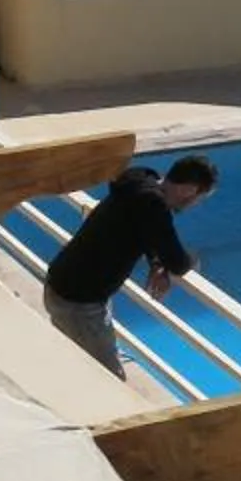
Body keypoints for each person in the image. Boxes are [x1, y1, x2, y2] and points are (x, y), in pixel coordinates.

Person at [42, 155, 218, 373]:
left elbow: (144, 230)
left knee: (77, 362)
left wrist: (155, 262)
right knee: (109, 379)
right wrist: (193, 260)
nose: (195, 204)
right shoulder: (153, 207)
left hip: (64, 284)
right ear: (189, 190)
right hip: (78, 302)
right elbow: (178, 262)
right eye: (199, 198)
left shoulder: (138, 183)